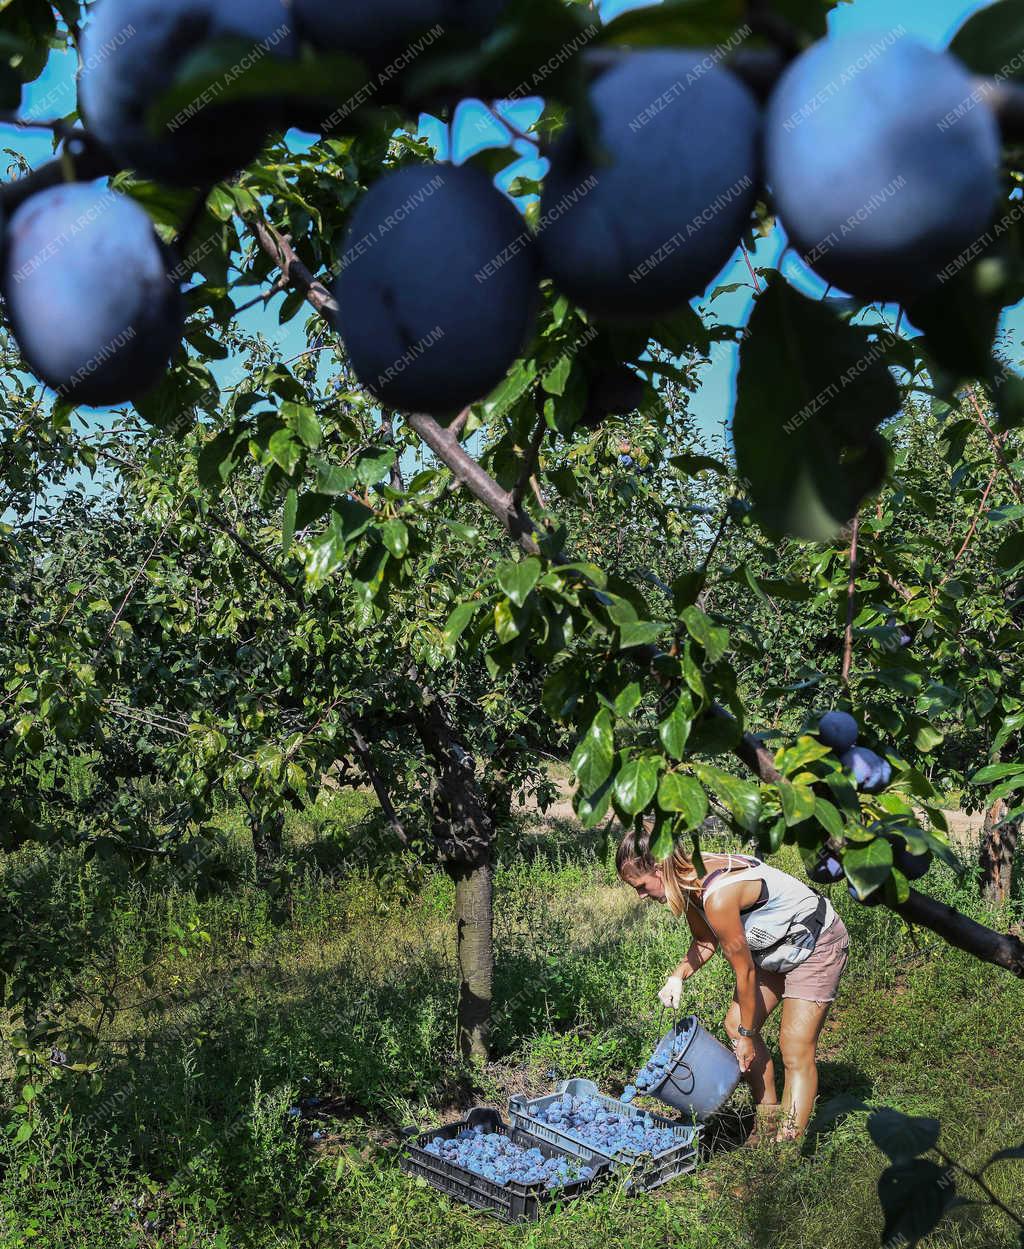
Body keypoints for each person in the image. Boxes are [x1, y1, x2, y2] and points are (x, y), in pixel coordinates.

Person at [616, 825, 850, 1143]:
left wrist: (749, 1036)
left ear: (659, 869)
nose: (641, 896)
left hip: (814, 943)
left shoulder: (718, 894)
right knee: (734, 1024)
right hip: (776, 949)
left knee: (794, 1048)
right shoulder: (688, 883)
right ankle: (767, 1120)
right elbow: (704, 941)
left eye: (641, 886)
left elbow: (746, 973)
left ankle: (786, 1149)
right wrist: (677, 975)